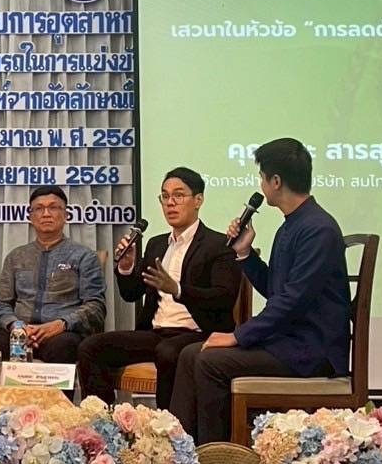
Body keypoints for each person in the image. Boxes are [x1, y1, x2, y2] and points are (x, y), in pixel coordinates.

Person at [170, 139, 349, 445]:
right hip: (288, 342)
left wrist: (238, 336)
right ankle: (184, 452)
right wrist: (245, 253)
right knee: (190, 354)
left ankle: (218, 456)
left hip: (309, 350)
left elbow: (292, 302)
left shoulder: (318, 229)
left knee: (209, 362)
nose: (261, 185)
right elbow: (275, 290)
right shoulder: (292, 225)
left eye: (262, 178)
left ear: (275, 181)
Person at [76, 167, 241, 408]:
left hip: (197, 334)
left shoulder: (218, 245)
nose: (170, 203)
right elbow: (131, 293)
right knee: (91, 347)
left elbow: (223, 297)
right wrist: (126, 267)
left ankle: (169, 425)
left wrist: (178, 290)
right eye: (165, 196)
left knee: (167, 352)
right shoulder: (156, 244)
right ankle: (104, 420)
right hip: (155, 333)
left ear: (198, 200)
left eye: (178, 195)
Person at [0, 185, 105, 364]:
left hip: (62, 333)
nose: (46, 214)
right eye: (39, 208)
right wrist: (16, 326)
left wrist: (61, 324)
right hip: (19, 333)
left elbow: (95, 306)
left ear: (66, 215)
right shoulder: (16, 256)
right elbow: (0, 304)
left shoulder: (84, 256)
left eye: (53, 207)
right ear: (30, 217)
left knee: (63, 348)